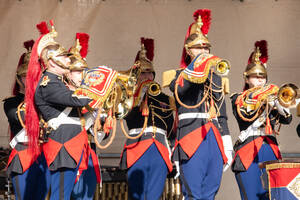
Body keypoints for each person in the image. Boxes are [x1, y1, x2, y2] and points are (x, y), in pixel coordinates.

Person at [168, 9, 233, 199]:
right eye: (198, 48)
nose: (204, 51)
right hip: (191, 135)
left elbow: (221, 111)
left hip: (214, 135)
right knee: (193, 193)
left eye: (206, 48)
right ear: (188, 51)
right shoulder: (179, 75)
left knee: (211, 190)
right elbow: (181, 91)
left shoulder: (216, 78)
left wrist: (227, 141)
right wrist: (197, 68)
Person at [25, 21, 92, 200]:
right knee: (60, 194)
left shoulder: (58, 82)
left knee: (63, 193)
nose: (68, 60)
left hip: (71, 142)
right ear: (52, 62)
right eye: (64, 57)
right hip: (64, 144)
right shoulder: (49, 83)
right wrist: (100, 88)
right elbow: (75, 100)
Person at [230, 40, 292, 200]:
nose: (260, 80)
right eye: (255, 77)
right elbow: (246, 114)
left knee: (272, 196)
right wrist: (263, 98)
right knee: (251, 196)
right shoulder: (238, 98)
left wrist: (277, 104)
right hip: (248, 149)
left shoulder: (272, 96)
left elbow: (287, 120)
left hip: (270, 148)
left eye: (262, 77)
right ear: (246, 79)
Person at [119, 38, 175, 200]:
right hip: (137, 145)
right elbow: (127, 119)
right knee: (136, 195)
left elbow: (170, 128)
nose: (147, 76)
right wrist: (138, 95)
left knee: (154, 195)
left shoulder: (165, 98)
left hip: (159, 146)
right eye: (143, 73)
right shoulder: (129, 98)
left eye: (149, 73)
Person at [4, 40, 50, 200]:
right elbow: (23, 118)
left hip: (43, 155)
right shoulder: (11, 103)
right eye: (26, 76)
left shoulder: (45, 100)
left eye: (35, 76)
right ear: (19, 78)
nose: (31, 79)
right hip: (23, 154)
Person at [65, 33, 101, 200]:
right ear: (68, 73)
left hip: (88, 152)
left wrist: (101, 118)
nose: (82, 75)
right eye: (77, 71)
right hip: (67, 151)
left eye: (83, 71)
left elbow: (100, 136)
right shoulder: (59, 94)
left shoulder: (90, 97)